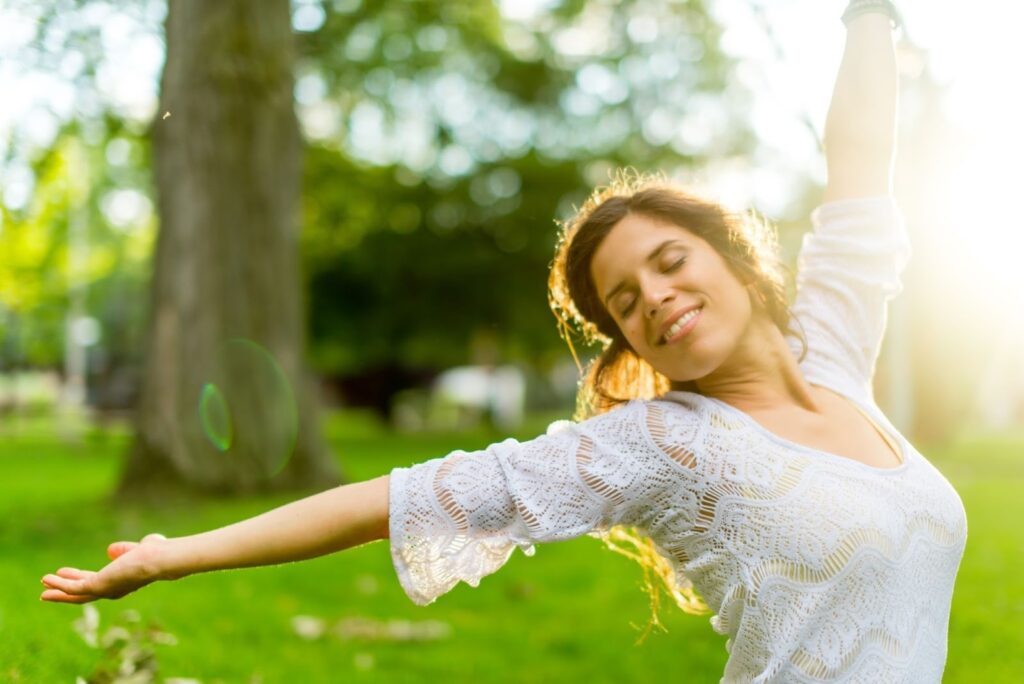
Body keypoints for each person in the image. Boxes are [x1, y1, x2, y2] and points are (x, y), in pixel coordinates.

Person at [42, 1, 968, 681]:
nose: (656, 299)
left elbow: (857, 165)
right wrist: (176, 555)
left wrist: (868, 15)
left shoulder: (837, 357)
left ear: (734, 257)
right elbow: (390, 499)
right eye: (625, 302)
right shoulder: (663, 444)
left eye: (672, 261)